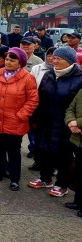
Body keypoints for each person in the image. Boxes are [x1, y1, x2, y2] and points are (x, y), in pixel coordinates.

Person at [0, 47, 39, 191]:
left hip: (15, 122)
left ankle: (14, 178)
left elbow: (32, 100)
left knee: (14, 152)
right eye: (7, 59)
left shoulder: (28, 78)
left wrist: (20, 115)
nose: (8, 62)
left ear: (20, 63)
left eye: (12, 60)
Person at [28, 47, 82, 197]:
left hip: (65, 122)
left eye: (59, 59)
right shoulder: (49, 74)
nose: (55, 61)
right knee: (42, 149)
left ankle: (62, 184)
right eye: (54, 58)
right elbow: (40, 97)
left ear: (70, 61)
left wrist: (74, 121)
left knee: (62, 154)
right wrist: (35, 118)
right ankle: (45, 178)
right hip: (45, 119)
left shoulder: (78, 78)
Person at [64, 86, 82, 217]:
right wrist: (70, 122)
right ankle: (78, 201)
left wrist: (78, 123)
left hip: (78, 129)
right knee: (79, 171)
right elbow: (70, 108)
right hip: (78, 139)